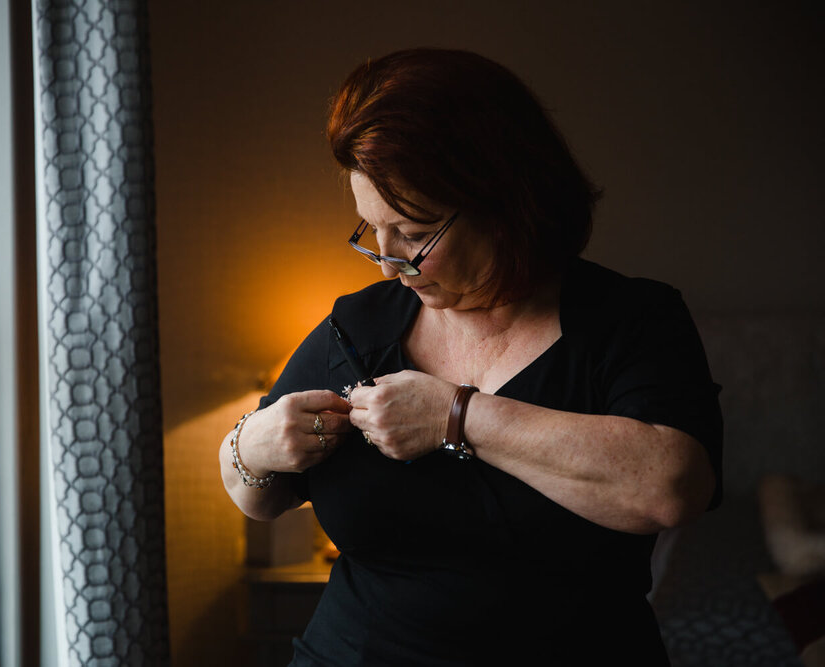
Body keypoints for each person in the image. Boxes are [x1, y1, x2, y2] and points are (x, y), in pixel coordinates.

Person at [219, 48, 722, 666]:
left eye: (413, 230)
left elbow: (671, 488)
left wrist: (456, 416)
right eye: (370, 230)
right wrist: (250, 443)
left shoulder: (631, 320)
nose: (388, 260)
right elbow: (258, 497)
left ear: (506, 200)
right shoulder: (359, 325)